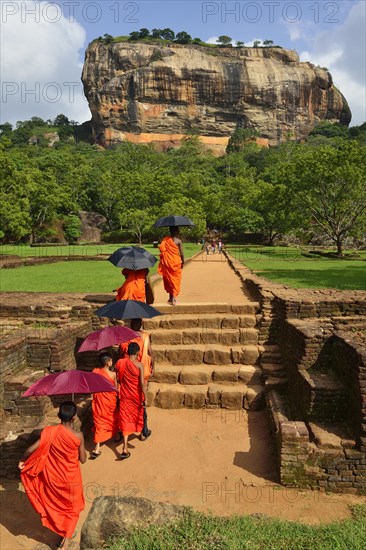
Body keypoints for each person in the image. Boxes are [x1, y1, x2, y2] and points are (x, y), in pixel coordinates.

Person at [19, 401, 86, 550]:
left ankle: (62, 533)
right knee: (72, 508)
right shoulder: (78, 435)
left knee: (58, 505)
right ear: (74, 417)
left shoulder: (50, 431)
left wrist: (22, 460)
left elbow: (30, 450)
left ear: (58, 415)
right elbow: (83, 459)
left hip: (53, 478)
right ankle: (66, 541)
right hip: (71, 478)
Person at [115, 342, 148, 459]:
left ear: (128, 352)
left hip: (124, 395)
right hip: (136, 396)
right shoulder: (140, 366)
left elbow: (117, 376)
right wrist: (146, 397)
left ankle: (125, 447)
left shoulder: (120, 362)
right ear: (138, 353)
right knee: (138, 415)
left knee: (125, 419)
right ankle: (141, 434)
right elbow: (142, 384)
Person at [91, 352, 119, 458]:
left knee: (99, 422)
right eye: (111, 360)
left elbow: (93, 385)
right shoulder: (113, 374)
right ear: (108, 362)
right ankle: (116, 436)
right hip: (109, 402)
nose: (112, 362)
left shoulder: (95, 371)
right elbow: (115, 389)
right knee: (113, 418)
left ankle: (97, 448)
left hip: (99, 402)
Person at [119, 319, 154, 383]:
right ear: (140, 325)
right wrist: (153, 367)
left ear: (131, 324)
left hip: (128, 367)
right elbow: (150, 353)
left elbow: (121, 351)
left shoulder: (126, 336)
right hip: (143, 367)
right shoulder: (145, 336)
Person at [158, 226, 184, 306]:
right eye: (178, 230)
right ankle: (174, 298)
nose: (179, 232)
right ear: (176, 231)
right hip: (175, 262)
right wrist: (183, 261)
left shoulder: (165, 240)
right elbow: (182, 253)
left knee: (169, 280)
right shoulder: (178, 241)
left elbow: (162, 249)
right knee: (175, 280)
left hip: (167, 263)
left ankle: (170, 297)